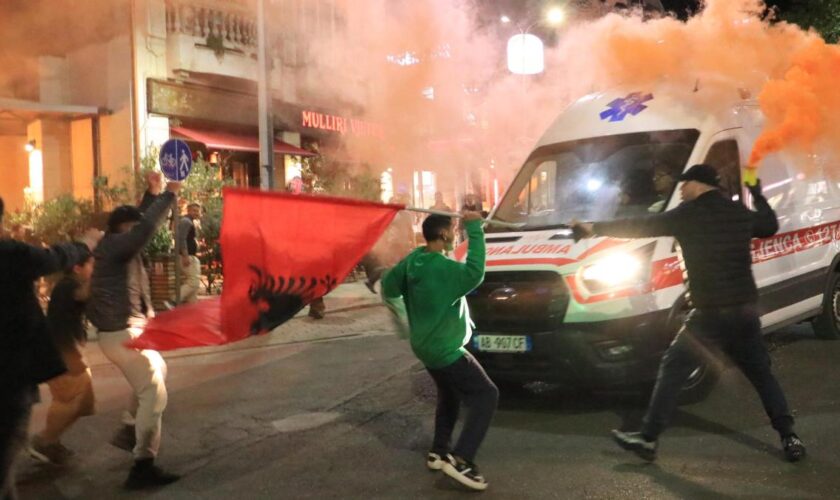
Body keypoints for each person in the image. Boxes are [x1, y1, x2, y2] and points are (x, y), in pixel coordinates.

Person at [571, 164, 806, 463]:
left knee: (672, 369)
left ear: (699, 184)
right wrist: (757, 192)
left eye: (684, 184)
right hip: (744, 312)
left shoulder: (687, 215)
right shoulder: (737, 213)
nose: (681, 189)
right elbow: (769, 225)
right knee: (761, 375)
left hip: (708, 315)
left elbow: (641, 225)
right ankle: (789, 436)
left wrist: (594, 228)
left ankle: (648, 439)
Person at [382, 210, 498, 491]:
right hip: (445, 349)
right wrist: (474, 228)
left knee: (449, 394)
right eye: (453, 230)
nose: (454, 234)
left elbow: (388, 286)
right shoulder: (444, 269)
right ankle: (462, 460)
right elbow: (475, 271)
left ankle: (439, 451)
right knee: (486, 395)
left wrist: (404, 319)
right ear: (444, 235)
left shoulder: (414, 261)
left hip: (424, 346)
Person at [87, 181, 181, 489]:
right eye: (130, 229)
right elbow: (141, 230)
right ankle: (142, 465)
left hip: (127, 331)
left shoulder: (116, 244)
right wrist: (168, 195)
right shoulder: (115, 245)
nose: (135, 235)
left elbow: (137, 224)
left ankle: (130, 427)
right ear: (119, 230)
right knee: (154, 392)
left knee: (158, 371)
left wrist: (150, 197)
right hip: (121, 333)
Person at [0, 196, 91, 500]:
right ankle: (45, 442)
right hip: (11, 373)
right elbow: (52, 258)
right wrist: (84, 244)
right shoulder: (9, 254)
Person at [29, 242, 97, 465]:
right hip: (60, 349)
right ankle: (44, 441)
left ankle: (51, 440)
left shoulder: (68, 284)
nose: (93, 269)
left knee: (84, 401)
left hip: (67, 347)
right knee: (70, 397)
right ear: (77, 268)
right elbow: (85, 295)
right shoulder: (69, 285)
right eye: (91, 265)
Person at [176, 202, 202, 304]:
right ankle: (174, 300)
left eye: (198, 211)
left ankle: (192, 307)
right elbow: (181, 239)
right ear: (188, 210)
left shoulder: (190, 222)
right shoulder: (186, 221)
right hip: (187, 256)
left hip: (191, 256)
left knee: (193, 284)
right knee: (194, 282)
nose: (196, 213)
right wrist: (185, 255)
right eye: (194, 211)